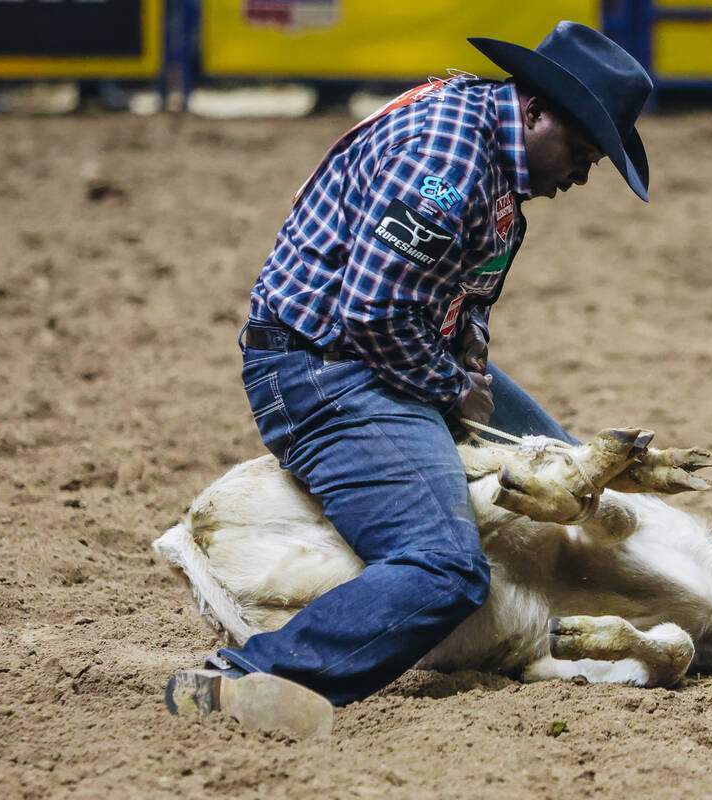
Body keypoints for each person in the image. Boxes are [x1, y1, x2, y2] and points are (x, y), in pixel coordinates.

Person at [164, 20, 653, 732]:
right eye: (582, 150)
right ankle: (246, 677)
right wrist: (453, 388)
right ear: (537, 111)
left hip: (376, 353)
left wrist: (469, 359)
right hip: (326, 369)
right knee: (443, 566)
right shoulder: (450, 158)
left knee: (573, 473)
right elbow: (371, 314)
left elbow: (464, 297)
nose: (581, 173)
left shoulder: (487, 145)